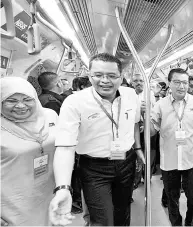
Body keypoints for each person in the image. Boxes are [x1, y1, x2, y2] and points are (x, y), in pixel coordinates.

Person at [48, 53, 145, 226]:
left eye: (112, 76)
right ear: (89, 75)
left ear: (121, 77)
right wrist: (63, 188)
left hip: (125, 161)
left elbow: (135, 123)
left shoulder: (131, 95)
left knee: (123, 213)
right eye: (98, 75)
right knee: (102, 220)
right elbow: (65, 147)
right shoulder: (75, 102)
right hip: (94, 168)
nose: (105, 81)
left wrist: (137, 150)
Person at [150, 68, 193, 226]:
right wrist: (145, 115)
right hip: (169, 159)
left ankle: (190, 222)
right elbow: (151, 131)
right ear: (169, 84)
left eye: (185, 82)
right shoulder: (160, 105)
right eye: (177, 82)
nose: (181, 86)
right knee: (172, 199)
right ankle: (176, 223)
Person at [1, 77, 58, 226]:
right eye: (11, 100)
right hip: (11, 201)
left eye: (27, 99)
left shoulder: (50, 116)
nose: (21, 106)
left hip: (47, 192)